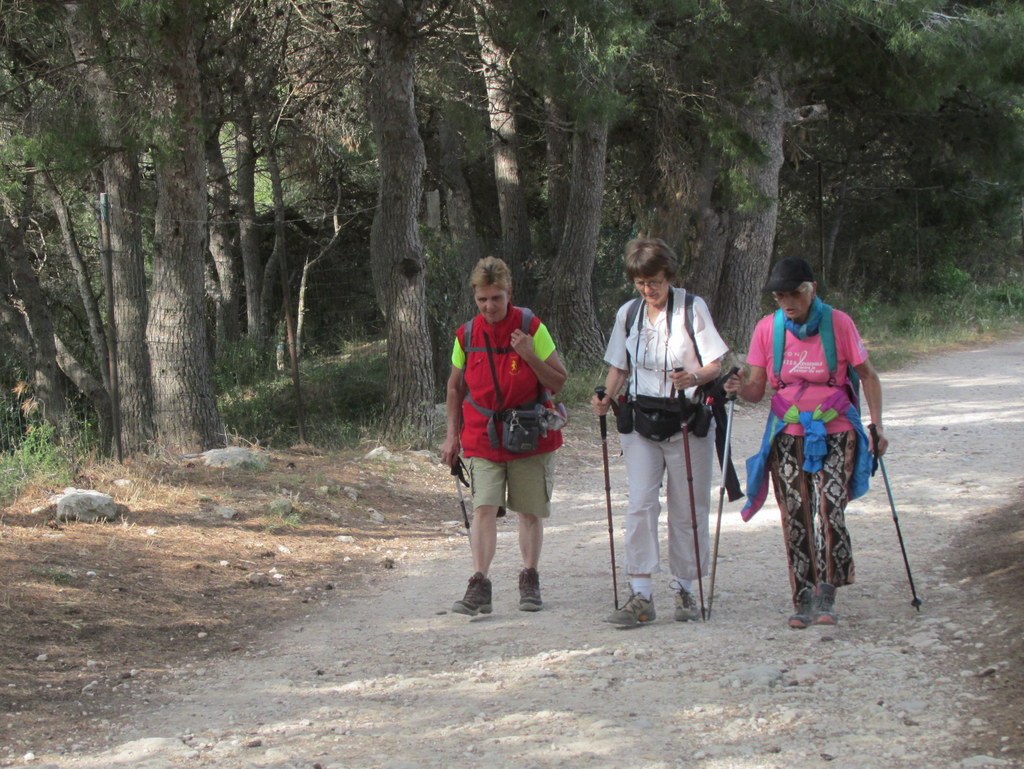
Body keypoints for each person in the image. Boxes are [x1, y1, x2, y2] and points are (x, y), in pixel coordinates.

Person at [724, 257, 888, 629]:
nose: (787, 302)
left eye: (793, 293)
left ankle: (827, 588)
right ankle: (803, 594)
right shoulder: (767, 329)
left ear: (811, 289)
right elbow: (756, 391)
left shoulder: (838, 323)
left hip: (836, 428)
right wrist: (737, 385)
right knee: (796, 512)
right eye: (780, 296)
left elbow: (868, 376)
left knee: (830, 508)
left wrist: (877, 426)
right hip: (788, 432)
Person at [591, 238, 727, 627]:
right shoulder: (628, 314)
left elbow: (715, 363)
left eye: (654, 281)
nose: (648, 290)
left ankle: (685, 588)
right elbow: (618, 367)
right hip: (642, 420)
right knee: (640, 504)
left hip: (687, 419)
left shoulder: (691, 308)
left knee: (688, 506)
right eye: (640, 283)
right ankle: (641, 594)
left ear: (668, 275)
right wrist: (606, 397)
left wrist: (694, 376)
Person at [440, 256, 568, 616]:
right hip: (483, 435)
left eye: (496, 298)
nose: (489, 306)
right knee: (484, 508)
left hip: (530, 432)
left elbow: (558, 382)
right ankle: (479, 583)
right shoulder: (465, 335)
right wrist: (452, 437)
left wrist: (528, 354)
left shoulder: (531, 326)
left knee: (528, 512)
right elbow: (454, 388)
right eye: (482, 299)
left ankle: (530, 576)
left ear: (508, 293)